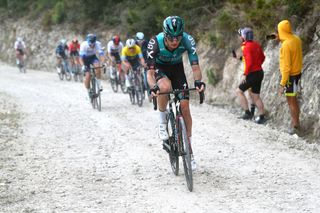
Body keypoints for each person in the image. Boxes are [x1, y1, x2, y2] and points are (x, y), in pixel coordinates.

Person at [146, 16, 205, 169]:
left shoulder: (188, 40)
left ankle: (189, 149)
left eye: (178, 37)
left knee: (185, 106)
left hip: (177, 69)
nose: (175, 41)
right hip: (160, 68)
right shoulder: (155, 43)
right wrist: (153, 87)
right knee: (164, 87)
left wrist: (198, 82)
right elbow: (150, 73)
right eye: (171, 38)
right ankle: (162, 120)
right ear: (165, 35)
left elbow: (195, 67)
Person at [275, 20, 302, 135]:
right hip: (297, 74)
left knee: (291, 101)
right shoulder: (296, 39)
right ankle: (295, 124)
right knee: (293, 100)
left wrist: (282, 84)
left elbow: (286, 67)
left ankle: (295, 126)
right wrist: (281, 38)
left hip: (290, 77)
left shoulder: (285, 45)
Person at [235, 27, 266, 124]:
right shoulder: (256, 45)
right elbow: (263, 57)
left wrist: (245, 74)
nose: (240, 37)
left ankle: (247, 113)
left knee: (239, 91)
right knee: (256, 96)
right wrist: (258, 65)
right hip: (259, 72)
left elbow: (249, 62)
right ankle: (261, 116)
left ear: (244, 36)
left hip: (252, 73)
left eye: (241, 35)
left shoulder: (247, 47)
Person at [79, 34, 105, 98]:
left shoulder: (98, 44)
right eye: (90, 43)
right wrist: (83, 66)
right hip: (85, 59)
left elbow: (101, 55)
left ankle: (99, 84)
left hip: (93, 57)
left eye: (93, 43)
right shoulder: (83, 45)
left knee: (98, 67)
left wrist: (103, 63)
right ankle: (88, 92)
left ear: (95, 42)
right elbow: (80, 58)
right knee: (88, 76)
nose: (91, 45)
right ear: (87, 41)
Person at [135, 32, 150, 99]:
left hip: (145, 61)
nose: (140, 42)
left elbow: (149, 53)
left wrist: (147, 62)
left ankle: (148, 91)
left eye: (142, 40)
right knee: (137, 73)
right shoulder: (134, 45)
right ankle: (139, 88)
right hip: (137, 60)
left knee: (146, 77)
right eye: (139, 40)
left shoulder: (147, 43)